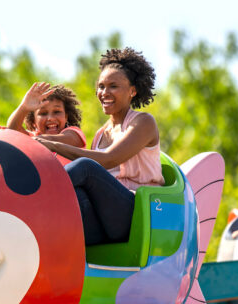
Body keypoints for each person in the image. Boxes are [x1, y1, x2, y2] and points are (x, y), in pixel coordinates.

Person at [33, 48, 164, 245]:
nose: (104, 93)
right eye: (101, 86)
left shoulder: (143, 123)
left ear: (132, 91)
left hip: (138, 215)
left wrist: (50, 144)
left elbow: (108, 159)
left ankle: (30, 199)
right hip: (104, 222)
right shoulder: (101, 134)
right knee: (74, 196)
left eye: (113, 86)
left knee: (86, 167)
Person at [6, 82, 86, 164]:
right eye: (43, 113)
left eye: (57, 112)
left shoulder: (74, 132)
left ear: (66, 117)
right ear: (34, 121)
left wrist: (32, 141)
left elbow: (67, 139)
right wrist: (24, 107)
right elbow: (12, 130)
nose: (50, 118)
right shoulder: (33, 137)